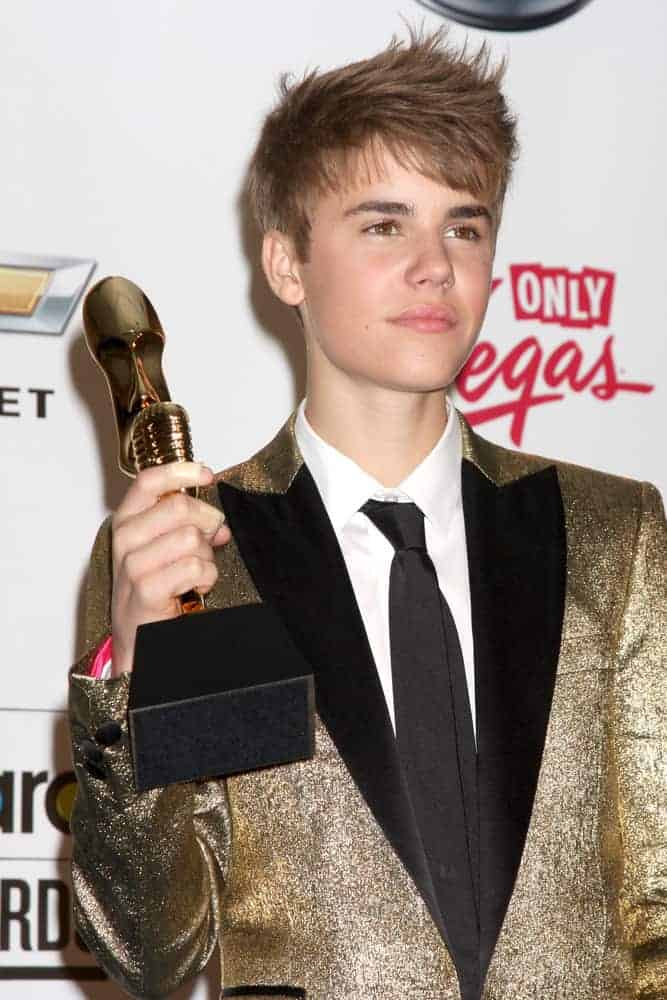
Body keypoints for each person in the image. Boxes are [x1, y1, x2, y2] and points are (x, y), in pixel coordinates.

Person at [68, 27, 667, 1000]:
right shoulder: (211, 553)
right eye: (385, 225)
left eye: (464, 226)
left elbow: (657, 903)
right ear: (287, 262)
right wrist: (135, 678)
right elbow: (153, 950)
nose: (435, 265)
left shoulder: (606, 532)